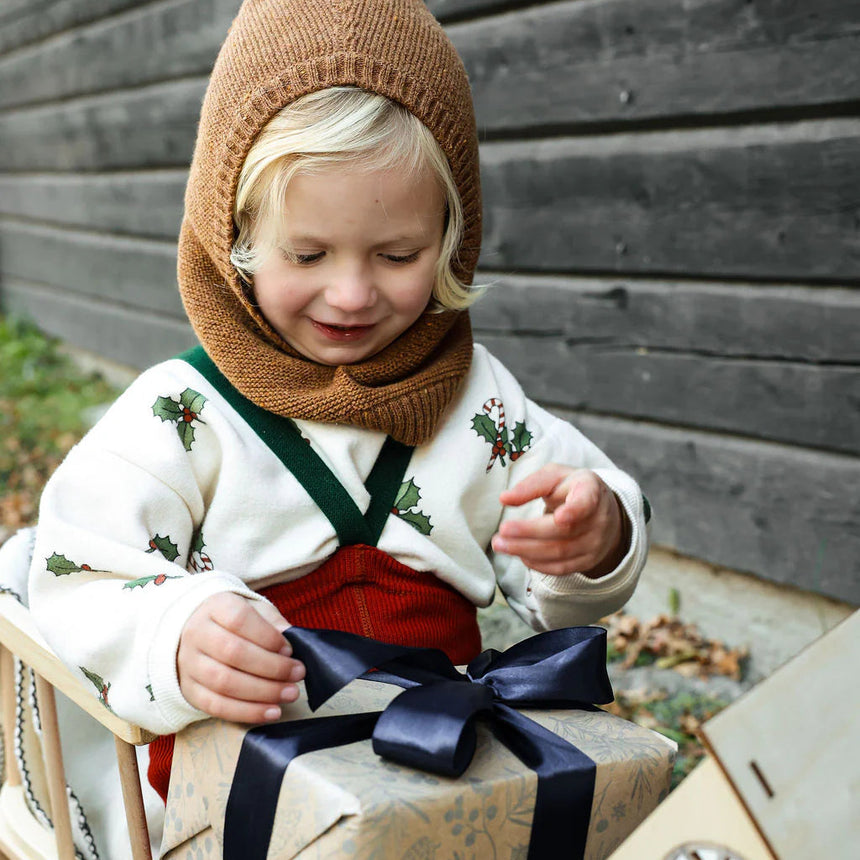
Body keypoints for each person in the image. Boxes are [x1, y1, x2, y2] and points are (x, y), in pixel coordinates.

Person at [28, 0, 650, 809]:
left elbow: (559, 558)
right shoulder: (184, 414)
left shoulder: (480, 402)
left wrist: (592, 537)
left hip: (440, 770)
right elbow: (76, 572)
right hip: (247, 791)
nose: (352, 294)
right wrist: (173, 633)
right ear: (236, 236)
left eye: (398, 255)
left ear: (452, 237)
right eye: (308, 253)